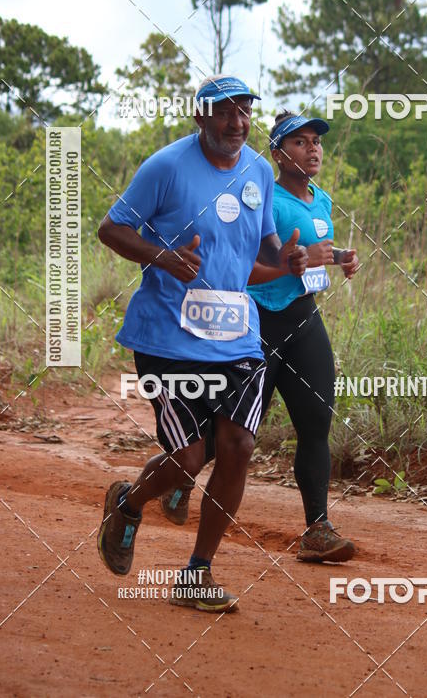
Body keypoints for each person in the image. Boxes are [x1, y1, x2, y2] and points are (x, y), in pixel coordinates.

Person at [96, 76, 308, 613]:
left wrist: (290, 261)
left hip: (236, 335)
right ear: (200, 116)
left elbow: (263, 255)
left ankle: (197, 573)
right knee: (189, 457)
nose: (237, 123)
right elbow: (111, 228)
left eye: (244, 113)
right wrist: (164, 257)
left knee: (237, 446)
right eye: (225, 113)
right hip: (167, 335)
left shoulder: (259, 171)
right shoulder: (165, 166)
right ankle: (127, 502)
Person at [161, 111, 360, 563]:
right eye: (300, 143)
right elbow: (256, 250)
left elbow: (311, 251)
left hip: (303, 319)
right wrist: (297, 257)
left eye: (316, 142)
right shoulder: (261, 195)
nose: (312, 150)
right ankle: (180, 476)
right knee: (234, 428)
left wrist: (342, 257)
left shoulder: (320, 199)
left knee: (316, 422)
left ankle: (317, 529)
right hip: (257, 320)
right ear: (277, 154)